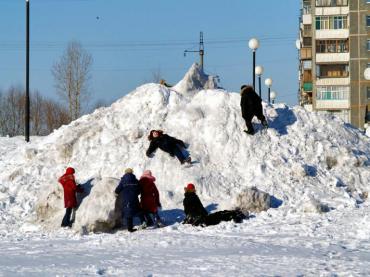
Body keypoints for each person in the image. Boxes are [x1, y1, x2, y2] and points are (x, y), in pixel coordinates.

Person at [183, 183, 247, 227]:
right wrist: (205, 214)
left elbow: (187, 212)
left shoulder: (185, 199)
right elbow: (200, 208)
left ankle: (235, 213)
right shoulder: (194, 197)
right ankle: (237, 214)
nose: (194, 190)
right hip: (200, 219)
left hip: (195, 219)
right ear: (191, 189)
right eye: (193, 189)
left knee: (219, 215)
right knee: (219, 215)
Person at [114, 168, 146, 232]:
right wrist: (135, 193)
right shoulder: (135, 180)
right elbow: (139, 190)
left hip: (126, 200)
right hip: (134, 198)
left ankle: (130, 228)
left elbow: (118, 189)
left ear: (125, 173)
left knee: (128, 213)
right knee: (139, 211)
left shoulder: (123, 180)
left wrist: (116, 193)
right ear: (132, 173)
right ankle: (143, 222)